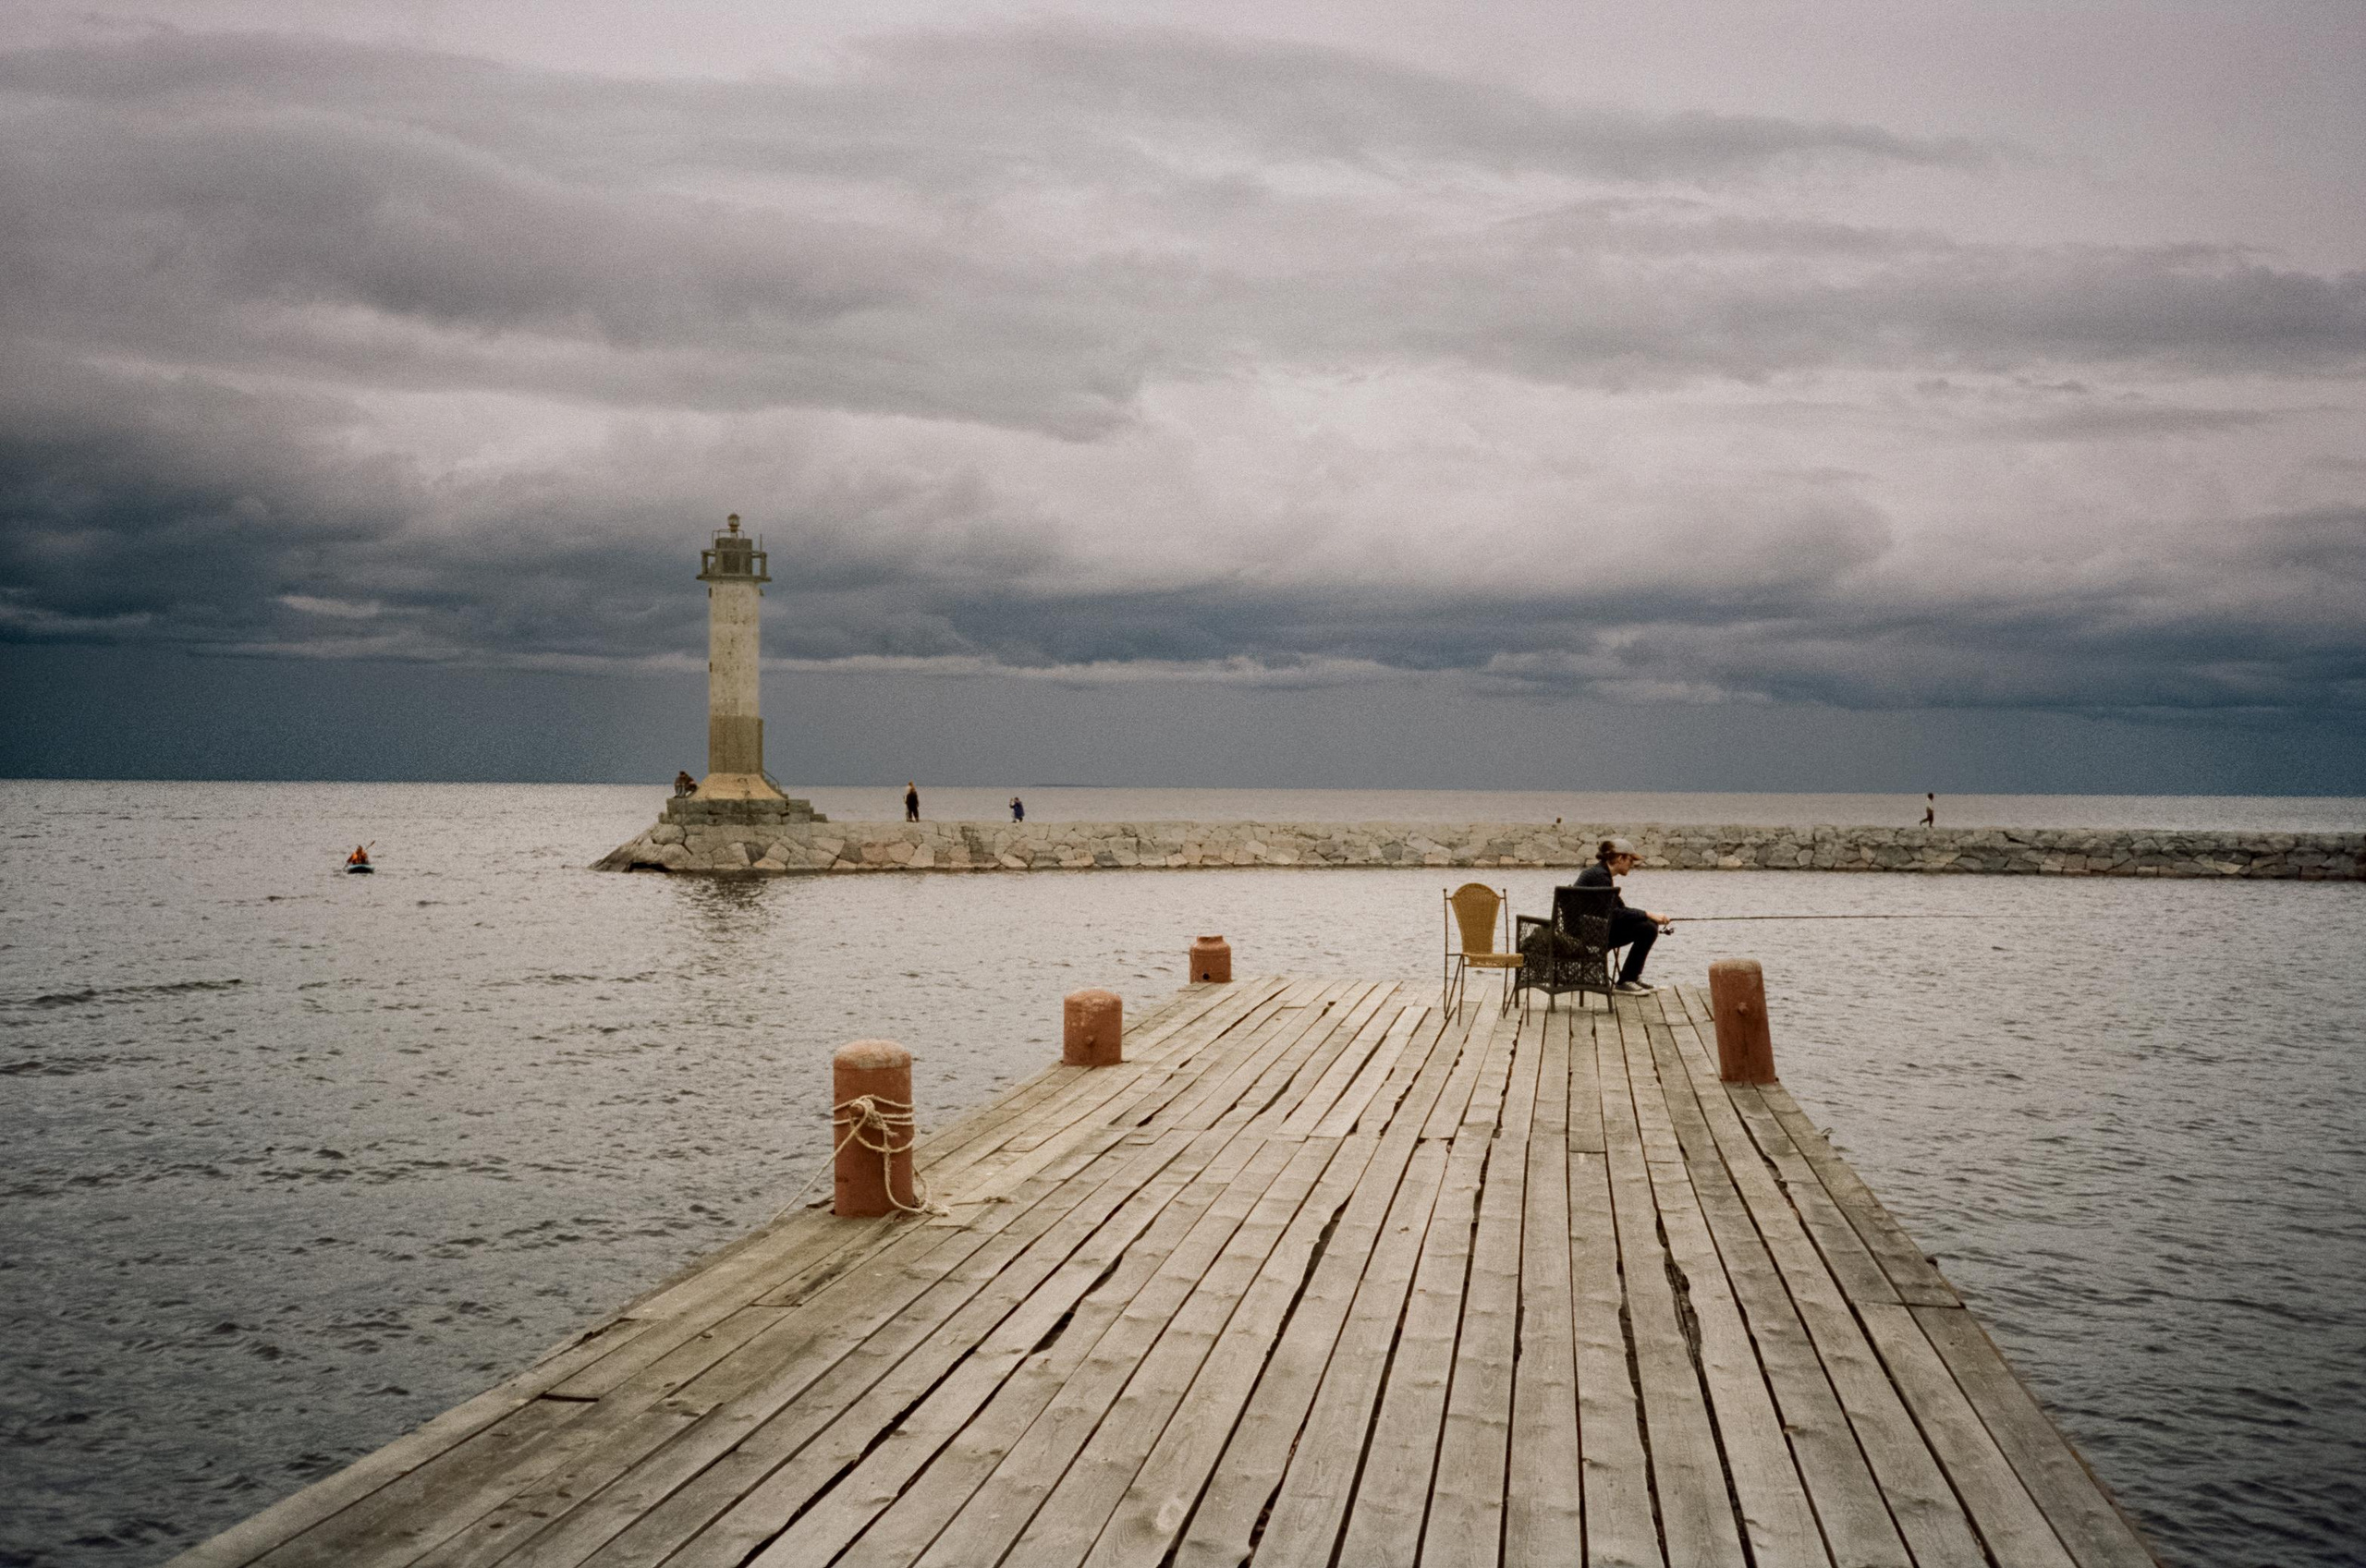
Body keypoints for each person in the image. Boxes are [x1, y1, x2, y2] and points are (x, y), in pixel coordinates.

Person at [1575, 836, 1674, 994]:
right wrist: (1648, 914)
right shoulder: (1600, 876)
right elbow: (1614, 914)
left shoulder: (1600, 873)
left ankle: (1631, 978)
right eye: (1630, 860)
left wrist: (1650, 916)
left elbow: (1619, 909)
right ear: (1620, 858)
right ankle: (1627, 980)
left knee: (1648, 924)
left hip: (1592, 929)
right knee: (1647, 929)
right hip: (1588, 935)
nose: (1632, 865)